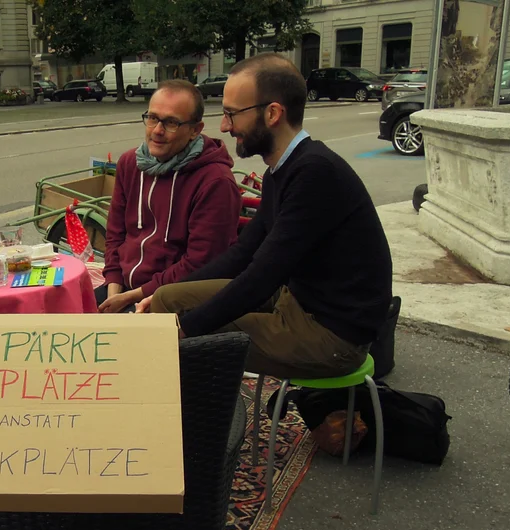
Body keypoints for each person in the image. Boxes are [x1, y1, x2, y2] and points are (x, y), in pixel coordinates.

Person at [143, 54, 393, 379]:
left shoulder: (315, 174)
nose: (224, 126)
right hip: (299, 303)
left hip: (333, 335)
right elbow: (242, 254)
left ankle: (193, 422)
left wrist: (185, 328)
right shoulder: (285, 168)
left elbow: (261, 277)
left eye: (232, 114)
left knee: (178, 338)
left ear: (273, 113)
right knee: (165, 300)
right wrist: (154, 294)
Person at [98, 79, 242, 313]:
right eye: (153, 118)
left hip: (176, 299)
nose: (157, 131)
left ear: (195, 130)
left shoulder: (216, 182)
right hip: (123, 289)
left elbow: (199, 263)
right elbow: (115, 234)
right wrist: (114, 292)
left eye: (171, 122)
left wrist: (131, 298)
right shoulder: (129, 163)